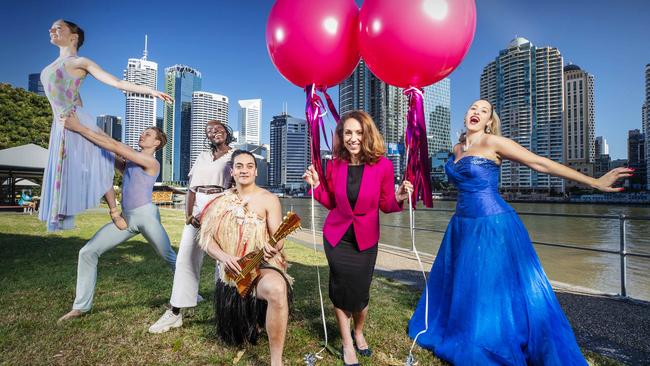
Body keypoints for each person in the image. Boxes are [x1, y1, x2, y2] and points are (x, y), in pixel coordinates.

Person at [408, 100, 633, 365]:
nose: (476, 112)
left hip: (493, 225)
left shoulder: (494, 143)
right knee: (468, 285)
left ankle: (490, 340)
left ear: (490, 121)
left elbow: (540, 163)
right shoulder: (456, 149)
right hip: (461, 225)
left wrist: (594, 182)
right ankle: (466, 331)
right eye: (472, 108)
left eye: (483, 110)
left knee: (493, 287)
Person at [39, 19, 172, 232]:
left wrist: (150, 91)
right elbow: (72, 93)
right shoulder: (50, 67)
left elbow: (117, 83)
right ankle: (63, 211)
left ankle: (114, 211)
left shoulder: (80, 61)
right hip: (64, 121)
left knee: (104, 156)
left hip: (74, 119)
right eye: (51, 27)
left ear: (73, 37)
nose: (51, 30)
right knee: (94, 160)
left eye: (58, 28)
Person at [303, 110, 412, 366]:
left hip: (365, 240)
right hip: (336, 238)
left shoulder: (383, 165)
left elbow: (385, 204)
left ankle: (359, 330)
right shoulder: (334, 164)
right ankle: (347, 343)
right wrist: (316, 186)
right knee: (340, 292)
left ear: (367, 134)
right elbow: (331, 202)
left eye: (358, 132)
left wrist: (398, 198)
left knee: (360, 296)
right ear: (341, 136)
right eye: (347, 132)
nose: (353, 138)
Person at [58, 112, 177, 322]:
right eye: (143, 132)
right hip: (126, 218)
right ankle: (81, 307)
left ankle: (191, 293)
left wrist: (78, 127)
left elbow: (116, 146)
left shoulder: (151, 162)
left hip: (146, 216)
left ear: (157, 143)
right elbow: (109, 147)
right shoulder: (131, 163)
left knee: (169, 257)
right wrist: (84, 122)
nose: (142, 135)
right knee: (88, 251)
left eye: (148, 134)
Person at [199, 150, 290, 366]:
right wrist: (224, 257)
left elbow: (280, 239)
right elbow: (206, 239)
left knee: (277, 289)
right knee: (237, 338)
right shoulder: (220, 200)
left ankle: (276, 361)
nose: (244, 170)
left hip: (262, 265)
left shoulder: (269, 199)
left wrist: (272, 246)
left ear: (256, 171)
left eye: (249, 166)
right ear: (232, 171)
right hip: (233, 270)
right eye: (239, 166)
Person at [149, 120, 234, 334]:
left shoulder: (235, 155)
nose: (215, 132)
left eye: (218, 128)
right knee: (185, 258)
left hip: (221, 204)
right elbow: (192, 188)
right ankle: (174, 312)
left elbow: (237, 187)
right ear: (207, 137)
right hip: (198, 207)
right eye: (210, 131)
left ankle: (225, 312)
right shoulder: (202, 156)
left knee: (222, 262)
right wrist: (189, 215)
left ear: (226, 131)